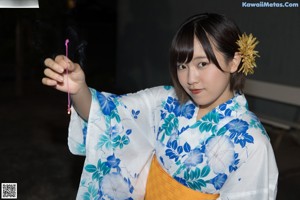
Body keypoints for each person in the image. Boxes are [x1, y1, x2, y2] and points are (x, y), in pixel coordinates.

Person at [42, 13, 278, 200]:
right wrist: (79, 90)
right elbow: (108, 113)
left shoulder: (253, 141)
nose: (190, 78)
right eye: (182, 66)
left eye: (202, 63)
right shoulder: (166, 101)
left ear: (234, 61)